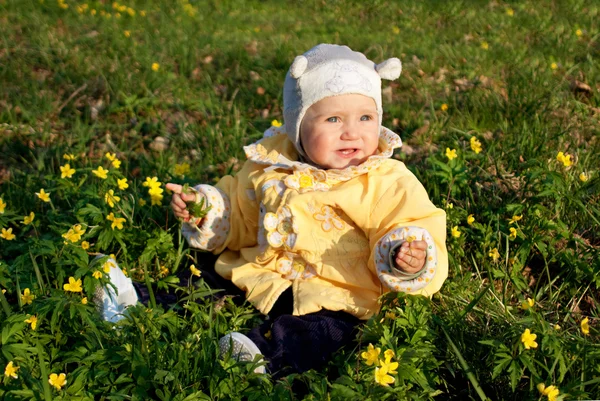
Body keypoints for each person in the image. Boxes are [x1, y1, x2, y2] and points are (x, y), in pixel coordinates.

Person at [99, 44, 448, 378]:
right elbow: (239, 211)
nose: (351, 132)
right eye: (333, 119)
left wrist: (406, 254)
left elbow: (413, 221)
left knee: (319, 334)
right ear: (298, 125)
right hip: (262, 275)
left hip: (336, 294)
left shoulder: (386, 180)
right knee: (205, 278)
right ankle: (134, 302)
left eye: (365, 117)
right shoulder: (271, 166)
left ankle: (260, 359)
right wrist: (206, 210)